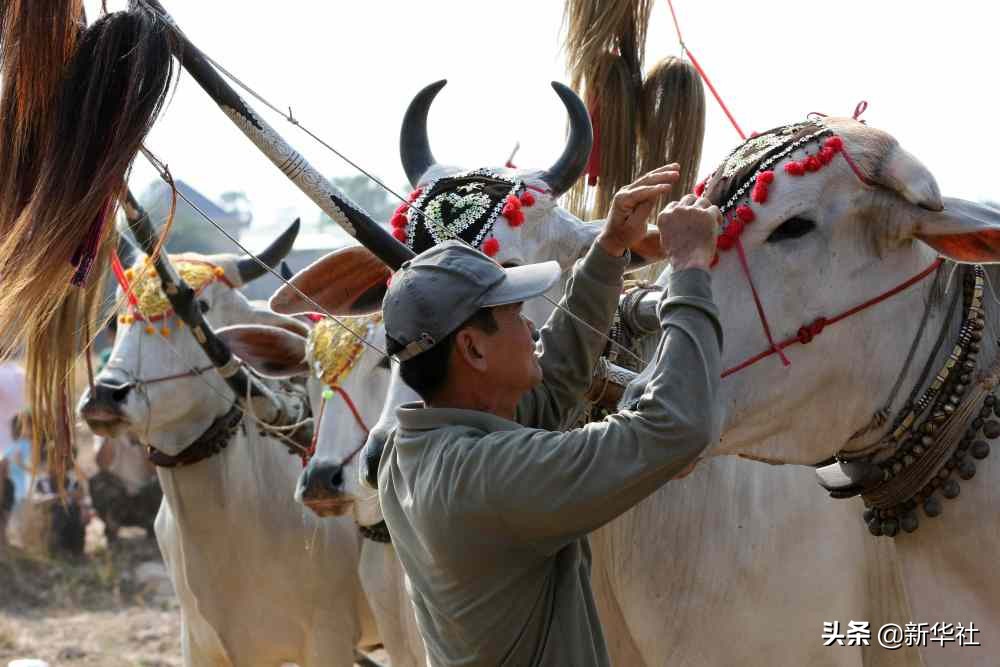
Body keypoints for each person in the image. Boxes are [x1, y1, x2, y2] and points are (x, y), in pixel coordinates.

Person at [378, 164, 723, 666]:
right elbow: (676, 427)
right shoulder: (489, 475)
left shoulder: (409, 452)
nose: (529, 329)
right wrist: (691, 269)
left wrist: (607, 251)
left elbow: (557, 374)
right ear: (473, 350)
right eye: (515, 314)